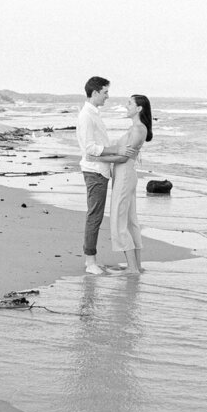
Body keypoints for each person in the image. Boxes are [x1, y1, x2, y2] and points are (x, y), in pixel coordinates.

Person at [76, 76, 135, 275]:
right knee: (95, 216)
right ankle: (90, 261)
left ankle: (91, 259)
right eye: (105, 92)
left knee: (96, 216)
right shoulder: (86, 116)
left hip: (99, 170)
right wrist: (115, 150)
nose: (107, 96)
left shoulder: (93, 114)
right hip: (94, 171)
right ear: (94, 93)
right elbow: (89, 148)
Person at [109, 94, 152, 274]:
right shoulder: (135, 128)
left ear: (139, 108)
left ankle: (133, 268)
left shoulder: (138, 129)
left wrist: (95, 156)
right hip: (124, 174)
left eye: (129, 103)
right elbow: (122, 152)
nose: (126, 106)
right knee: (129, 221)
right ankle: (136, 265)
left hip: (125, 175)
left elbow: (124, 156)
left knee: (120, 221)